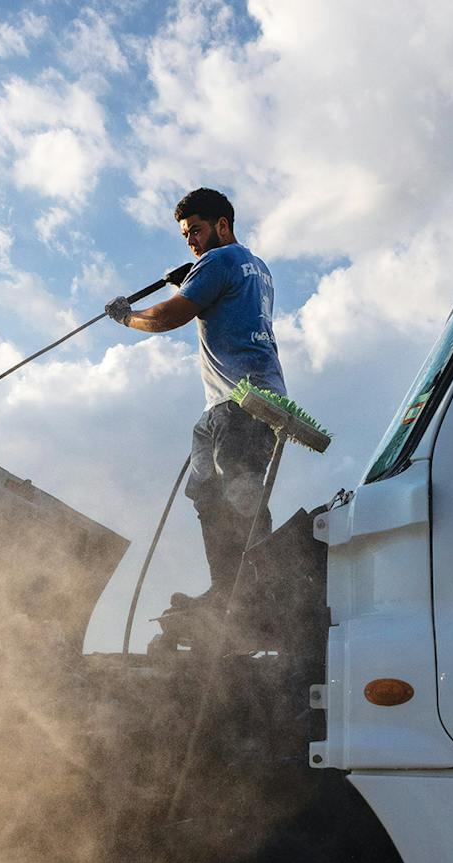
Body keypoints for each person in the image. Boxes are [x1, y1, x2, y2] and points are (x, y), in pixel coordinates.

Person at [106, 188, 284, 608]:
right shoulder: (258, 268)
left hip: (244, 399)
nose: (192, 241)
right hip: (223, 403)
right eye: (186, 235)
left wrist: (126, 317)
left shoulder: (219, 259)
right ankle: (227, 589)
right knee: (205, 490)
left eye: (198, 230)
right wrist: (189, 278)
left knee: (239, 491)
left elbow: (169, 316)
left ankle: (262, 592)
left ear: (223, 225)